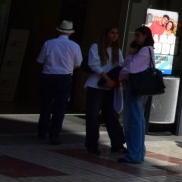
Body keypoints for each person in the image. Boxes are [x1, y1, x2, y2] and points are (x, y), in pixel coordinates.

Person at [37, 20, 83, 144]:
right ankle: (54, 135)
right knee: (60, 107)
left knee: (45, 104)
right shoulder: (75, 46)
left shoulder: (48, 43)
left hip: (48, 75)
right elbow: (78, 64)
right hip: (64, 77)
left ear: (58, 30)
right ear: (70, 33)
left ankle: (42, 130)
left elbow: (40, 60)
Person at [84, 26, 126, 155]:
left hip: (109, 87)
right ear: (106, 34)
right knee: (93, 116)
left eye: (117, 33)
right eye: (112, 33)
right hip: (95, 86)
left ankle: (117, 144)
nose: (115, 35)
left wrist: (114, 81)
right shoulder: (96, 47)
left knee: (112, 115)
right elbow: (93, 65)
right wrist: (106, 78)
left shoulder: (116, 50)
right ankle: (92, 145)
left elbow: (121, 66)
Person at [118, 25, 156, 163]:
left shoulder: (145, 50)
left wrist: (121, 75)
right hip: (142, 88)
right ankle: (138, 153)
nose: (136, 38)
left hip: (136, 88)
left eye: (138, 35)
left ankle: (133, 154)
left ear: (145, 36)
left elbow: (131, 68)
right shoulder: (149, 50)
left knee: (132, 121)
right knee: (138, 120)